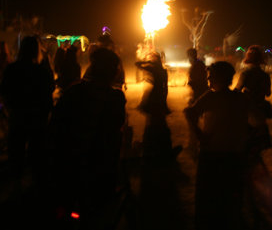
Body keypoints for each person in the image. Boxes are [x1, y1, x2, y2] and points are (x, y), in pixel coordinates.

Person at [50, 47, 126, 215]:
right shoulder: (115, 98)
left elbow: (56, 125)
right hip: (98, 166)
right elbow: (115, 131)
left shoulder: (73, 91)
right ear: (113, 71)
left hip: (72, 164)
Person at [185, 61, 249, 230]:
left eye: (210, 75)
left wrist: (200, 136)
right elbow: (255, 121)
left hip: (213, 154)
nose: (208, 78)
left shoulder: (211, 97)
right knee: (229, 195)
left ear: (220, 78)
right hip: (233, 154)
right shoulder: (239, 98)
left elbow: (189, 112)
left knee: (208, 195)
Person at [0, 36, 55, 190]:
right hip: (37, 118)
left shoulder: (12, 69)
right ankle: (36, 185)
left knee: (16, 150)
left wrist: (10, 108)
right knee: (36, 151)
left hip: (17, 116)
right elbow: (49, 89)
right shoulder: (40, 70)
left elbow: (4, 90)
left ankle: (16, 182)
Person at [136, 52, 179, 160]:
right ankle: (163, 148)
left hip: (155, 96)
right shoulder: (163, 71)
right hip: (160, 96)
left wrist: (147, 62)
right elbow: (166, 88)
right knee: (160, 122)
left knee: (153, 122)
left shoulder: (154, 69)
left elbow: (137, 64)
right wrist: (164, 100)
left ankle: (151, 148)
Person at [235, 45, 272, 152]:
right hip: (260, 110)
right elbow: (268, 93)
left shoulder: (246, 73)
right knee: (258, 143)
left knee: (246, 142)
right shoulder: (265, 75)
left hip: (247, 111)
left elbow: (237, 91)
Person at [186, 48, 208, 160]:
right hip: (199, 93)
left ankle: (196, 144)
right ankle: (193, 143)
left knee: (194, 118)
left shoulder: (197, 64)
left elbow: (199, 80)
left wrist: (191, 82)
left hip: (200, 93)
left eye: (188, 55)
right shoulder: (198, 63)